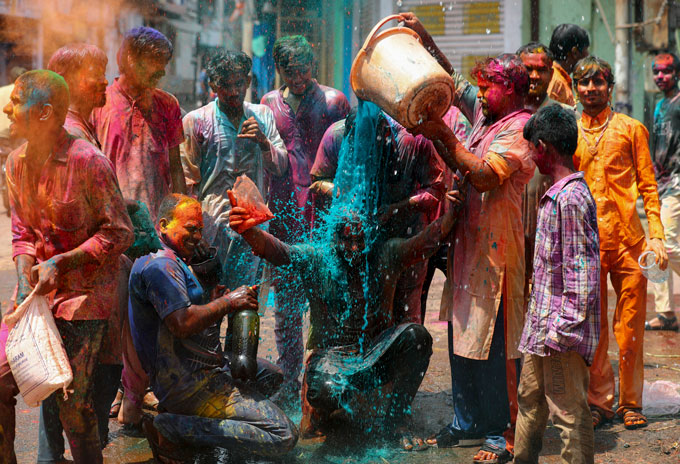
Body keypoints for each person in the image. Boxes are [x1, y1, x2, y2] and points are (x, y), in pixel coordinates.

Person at [229, 136, 464, 450]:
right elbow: (279, 252)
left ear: (368, 236)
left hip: (374, 352)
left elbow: (425, 243)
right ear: (333, 235)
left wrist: (451, 215)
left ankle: (395, 420)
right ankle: (330, 416)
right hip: (332, 359)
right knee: (323, 389)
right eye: (346, 240)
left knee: (417, 337)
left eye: (359, 240)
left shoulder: (385, 254)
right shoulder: (317, 259)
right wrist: (249, 232)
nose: (354, 248)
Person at [400, 13, 536, 464]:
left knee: (495, 343)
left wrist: (440, 132)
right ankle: (465, 422)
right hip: (468, 249)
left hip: (497, 255)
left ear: (512, 89)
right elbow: (453, 85)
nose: (480, 94)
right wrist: (424, 38)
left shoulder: (520, 129)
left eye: (489, 87)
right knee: (463, 337)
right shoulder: (485, 118)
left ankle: (499, 430)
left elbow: (481, 175)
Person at [0, 70, 133, 464]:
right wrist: (27, 271)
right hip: (35, 298)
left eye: (17, 100)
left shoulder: (89, 162)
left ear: (44, 113)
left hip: (85, 298)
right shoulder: (15, 163)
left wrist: (63, 261)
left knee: (74, 408)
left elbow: (120, 232)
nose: (7, 107)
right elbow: (22, 232)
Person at [128, 194, 296, 461]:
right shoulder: (160, 265)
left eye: (200, 229)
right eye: (190, 229)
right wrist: (229, 302)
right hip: (187, 383)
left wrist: (214, 302)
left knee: (271, 376)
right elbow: (182, 324)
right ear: (163, 225)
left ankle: (204, 434)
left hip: (203, 368)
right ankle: (174, 427)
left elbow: (186, 323)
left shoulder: (177, 260)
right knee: (283, 435)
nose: (197, 237)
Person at [37, 42, 122, 461]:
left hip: (85, 295)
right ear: (68, 84)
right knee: (73, 399)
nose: (105, 81)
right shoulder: (72, 141)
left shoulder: (86, 129)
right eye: (96, 73)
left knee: (62, 391)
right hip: (78, 300)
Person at [572, 56, 667, 430]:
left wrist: (657, 234)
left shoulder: (631, 129)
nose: (591, 89)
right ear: (577, 88)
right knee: (593, 332)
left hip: (630, 242)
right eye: (584, 83)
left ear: (609, 88)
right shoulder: (570, 131)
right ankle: (599, 403)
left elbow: (648, 187)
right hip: (588, 243)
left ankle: (631, 403)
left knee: (629, 331)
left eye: (598, 82)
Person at [260, 35, 349, 400]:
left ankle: (323, 381)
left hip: (323, 213)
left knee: (327, 300)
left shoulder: (334, 101)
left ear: (314, 66)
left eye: (304, 69)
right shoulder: (268, 103)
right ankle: (289, 380)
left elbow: (346, 154)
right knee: (286, 303)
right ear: (279, 69)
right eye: (289, 70)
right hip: (283, 213)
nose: (297, 77)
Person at [514, 104, 600, 464]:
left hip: (559, 335)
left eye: (532, 148)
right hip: (541, 329)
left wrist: (562, 332)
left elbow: (583, 275)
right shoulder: (555, 195)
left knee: (568, 417)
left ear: (543, 148)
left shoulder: (571, 199)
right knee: (529, 401)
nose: (531, 156)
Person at [310, 108, 446, 324]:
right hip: (353, 242)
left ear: (384, 133)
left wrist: (398, 207)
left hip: (403, 235)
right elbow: (316, 181)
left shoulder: (412, 140)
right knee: (351, 317)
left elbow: (437, 189)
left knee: (405, 318)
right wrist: (342, 192)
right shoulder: (336, 136)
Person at [180, 50, 288, 292]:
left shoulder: (262, 115)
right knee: (210, 307)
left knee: (245, 314)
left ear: (248, 82)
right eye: (225, 85)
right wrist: (192, 233)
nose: (233, 91)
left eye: (239, 83)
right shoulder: (196, 120)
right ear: (213, 86)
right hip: (210, 228)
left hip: (253, 228)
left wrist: (263, 142)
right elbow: (187, 182)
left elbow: (281, 166)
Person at [92, 26, 186, 221]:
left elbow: (176, 166)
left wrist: (183, 216)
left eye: (163, 64)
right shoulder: (99, 103)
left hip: (158, 224)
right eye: (154, 62)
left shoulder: (168, 105)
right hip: (111, 222)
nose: (161, 71)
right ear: (131, 59)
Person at [516, 41, 574, 304]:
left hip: (548, 220)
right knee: (511, 298)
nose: (535, 76)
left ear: (552, 73)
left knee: (547, 294)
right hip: (510, 221)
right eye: (528, 69)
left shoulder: (563, 116)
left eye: (542, 70)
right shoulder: (506, 110)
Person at [647, 52, 680, 331]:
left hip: (677, 184)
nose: (660, 76)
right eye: (657, 72)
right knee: (656, 245)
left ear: (676, 73)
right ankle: (665, 313)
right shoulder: (659, 106)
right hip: (660, 184)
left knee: (666, 246)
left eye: (666, 72)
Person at [547, 24, 590, 107]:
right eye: (586, 50)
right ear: (575, 52)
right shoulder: (556, 82)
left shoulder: (558, 77)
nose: (588, 55)